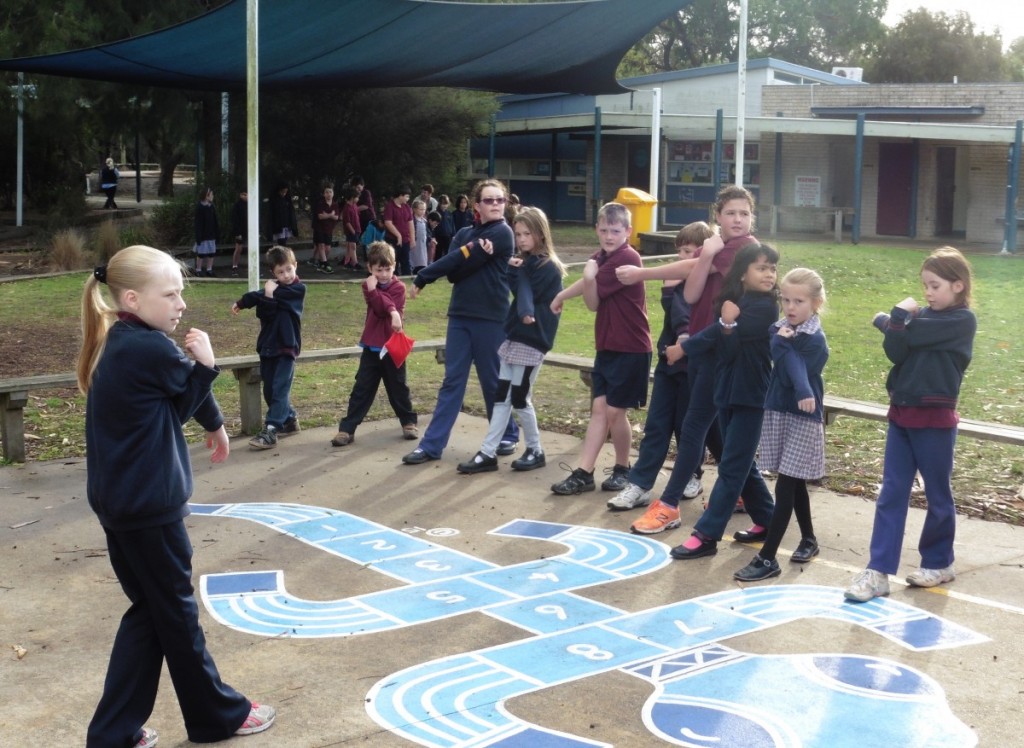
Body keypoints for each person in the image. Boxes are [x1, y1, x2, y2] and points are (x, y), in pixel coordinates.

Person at [78, 245, 276, 748]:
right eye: (169, 294)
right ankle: (216, 716)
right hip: (149, 506)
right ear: (132, 298)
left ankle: (114, 733)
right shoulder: (151, 347)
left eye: (181, 292)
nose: (181, 303)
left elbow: (174, 394)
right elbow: (183, 394)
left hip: (121, 504)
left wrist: (216, 423)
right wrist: (207, 365)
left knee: (152, 611)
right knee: (176, 614)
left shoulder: (122, 338)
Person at [618, 185, 759, 535]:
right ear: (718, 217)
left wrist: (640, 274)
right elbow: (693, 290)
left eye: (744, 213)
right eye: (730, 213)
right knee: (721, 431)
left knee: (695, 426)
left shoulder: (745, 249)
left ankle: (668, 504)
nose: (738, 219)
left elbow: (692, 266)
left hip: (718, 352)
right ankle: (748, 495)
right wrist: (709, 254)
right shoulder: (720, 249)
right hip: (704, 350)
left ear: (752, 217)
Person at [845, 247, 977, 602]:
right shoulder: (922, 320)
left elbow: (910, 335)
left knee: (937, 494)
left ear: (958, 286)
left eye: (935, 286)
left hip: (935, 421)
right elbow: (897, 350)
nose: (928, 293)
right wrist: (896, 324)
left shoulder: (962, 321)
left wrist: (895, 319)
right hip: (902, 415)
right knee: (891, 492)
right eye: (925, 286)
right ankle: (878, 571)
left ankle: (939, 562)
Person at [668, 242, 780, 560]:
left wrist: (720, 328)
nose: (769, 274)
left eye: (772, 268)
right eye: (761, 267)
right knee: (742, 463)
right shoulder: (735, 302)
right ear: (742, 273)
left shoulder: (766, 306)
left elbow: (722, 335)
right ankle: (769, 520)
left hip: (752, 395)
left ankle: (706, 534)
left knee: (732, 466)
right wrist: (725, 325)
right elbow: (726, 347)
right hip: (728, 391)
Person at [402, 178, 520, 465]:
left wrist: (431, 272)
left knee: (492, 381)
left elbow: (457, 264)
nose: (495, 205)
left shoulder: (503, 233)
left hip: (491, 318)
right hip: (460, 316)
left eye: (500, 200)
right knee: (452, 382)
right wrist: (469, 254)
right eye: (489, 200)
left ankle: (508, 433)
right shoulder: (465, 232)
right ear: (477, 205)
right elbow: (453, 270)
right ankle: (431, 446)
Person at [606, 221, 721, 513]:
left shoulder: (709, 283)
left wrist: (683, 340)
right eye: (682, 251)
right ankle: (641, 483)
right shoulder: (675, 280)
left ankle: (693, 475)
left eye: (692, 252)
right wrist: (670, 293)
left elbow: (689, 318)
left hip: (692, 364)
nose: (685, 258)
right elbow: (676, 316)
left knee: (689, 428)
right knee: (657, 425)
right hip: (669, 364)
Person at [548, 202, 651, 495]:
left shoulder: (626, 257)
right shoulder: (603, 257)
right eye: (604, 229)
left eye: (615, 231)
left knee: (616, 412)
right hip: (607, 346)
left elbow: (592, 301)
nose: (608, 235)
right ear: (597, 229)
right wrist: (561, 295)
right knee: (598, 409)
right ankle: (585, 472)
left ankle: (623, 468)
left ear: (628, 232)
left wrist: (590, 278)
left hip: (631, 348)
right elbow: (587, 280)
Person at [733, 267, 829, 582]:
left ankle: (768, 556)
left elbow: (793, 369)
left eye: (799, 301)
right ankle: (809, 540)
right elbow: (779, 353)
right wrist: (781, 342)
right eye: (785, 300)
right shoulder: (782, 329)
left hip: (803, 417)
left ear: (816, 303)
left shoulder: (815, 340)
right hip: (779, 411)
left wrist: (783, 346)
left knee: (786, 484)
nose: (790, 307)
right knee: (794, 479)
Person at [457, 206, 566, 474]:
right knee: (501, 396)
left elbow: (527, 292)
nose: (521, 240)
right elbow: (517, 289)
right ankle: (487, 452)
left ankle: (536, 449)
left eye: (527, 234)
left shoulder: (547, 267)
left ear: (541, 234)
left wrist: (517, 274)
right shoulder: (525, 264)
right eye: (518, 234)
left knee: (520, 397)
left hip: (533, 340)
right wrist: (513, 271)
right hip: (515, 337)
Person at [331, 241, 418, 447]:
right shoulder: (367, 286)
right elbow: (378, 309)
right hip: (372, 347)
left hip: (392, 347)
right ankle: (347, 428)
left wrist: (393, 310)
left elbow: (385, 304)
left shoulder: (398, 287)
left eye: (388, 269)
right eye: (379, 270)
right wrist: (383, 302)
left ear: (394, 266)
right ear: (370, 268)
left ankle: (408, 422)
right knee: (362, 388)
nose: (384, 274)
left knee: (398, 387)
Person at [231, 245, 306, 450]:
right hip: (268, 347)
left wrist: (268, 295)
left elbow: (265, 304)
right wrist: (241, 302)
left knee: (280, 390)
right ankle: (290, 420)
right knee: (271, 390)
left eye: (289, 269)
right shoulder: (272, 290)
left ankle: (271, 429)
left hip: (286, 346)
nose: (287, 275)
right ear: (273, 273)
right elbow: (262, 312)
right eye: (280, 272)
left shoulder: (297, 290)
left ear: (295, 266)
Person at [384, 186, 414, 275]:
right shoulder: (390, 206)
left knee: (406, 261)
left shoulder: (407, 207)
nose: (408, 199)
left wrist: (412, 239)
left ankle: (407, 279)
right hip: (392, 239)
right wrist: (398, 235)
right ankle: (392, 279)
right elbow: (388, 222)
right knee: (393, 260)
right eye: (407, 196)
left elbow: (411, 223)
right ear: (400, 196)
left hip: (406, 239)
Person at [312, 183, 340, 274]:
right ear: (324, 194)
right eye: (326, 192)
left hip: (329, 229)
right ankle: (325, 263)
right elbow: (320, 216)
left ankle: (322, 262)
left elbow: (336, 217)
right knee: (321, 245)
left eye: (330, 192)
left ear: (333, 193)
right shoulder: (320, 204)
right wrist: (330, 215)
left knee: (328, 248)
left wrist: (328, 216)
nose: (328, 194)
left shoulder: (335, 205)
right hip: (319, 227)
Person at [193, 186, 219, 278]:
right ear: (206, 196)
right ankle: (198, 269)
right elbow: (198, 223)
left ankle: (209, 269)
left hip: (211, 233)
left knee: (211, 253)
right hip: (203, 235)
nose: (212, 196)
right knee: (201, 253)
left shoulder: (211, 206)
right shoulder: (200, 207)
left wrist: (216, 232)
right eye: (211, 194)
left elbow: (215, 220)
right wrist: (198, 236)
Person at [268, 181, 298, 247]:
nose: (284, 193)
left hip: (286, 224)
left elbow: (290, 211)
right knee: (281, 241)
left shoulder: (287, 199)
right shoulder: (275, 200)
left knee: (284, 240)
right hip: (279, 224)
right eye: (282, 192)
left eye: (285, 192)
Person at [340, 184, 362, 271]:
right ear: (352, 197)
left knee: (350, 246)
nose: (358, 199)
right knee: (353, 246)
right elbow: (347, 222)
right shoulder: (347, 208)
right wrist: (353, 231)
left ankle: (347, 261)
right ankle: (355, 262)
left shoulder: (354, 206)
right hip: (351, 230)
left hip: (356, 229)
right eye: (357, 197)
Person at [410, 198, 430, 274]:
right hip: (415, 244)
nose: (423, 211)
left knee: (423, 259)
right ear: (414, 209)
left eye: (424, 209)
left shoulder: (424, 221)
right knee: (414, 259)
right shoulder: (412, 220)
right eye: (421, 209)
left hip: (423, 245)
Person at [230, 191, 248, 277]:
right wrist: (237, 232)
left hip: (249, 230)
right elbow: (235, 220)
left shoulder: (251, 204)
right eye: (244, 195)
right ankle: (234, 266)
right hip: (240, 231)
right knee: (238, 248)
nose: (246, 196)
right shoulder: (237, 206)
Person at [434, 194, 455, 258]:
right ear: (439, 204)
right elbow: (433, 227)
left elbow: (452, 225)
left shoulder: (449, 213)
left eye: (445, 203)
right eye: (442, 203)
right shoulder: (436, 213)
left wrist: (454, 235)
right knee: (438, 254)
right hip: (438, 237)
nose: (444, 205)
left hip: (448, 237)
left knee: (448, 253)